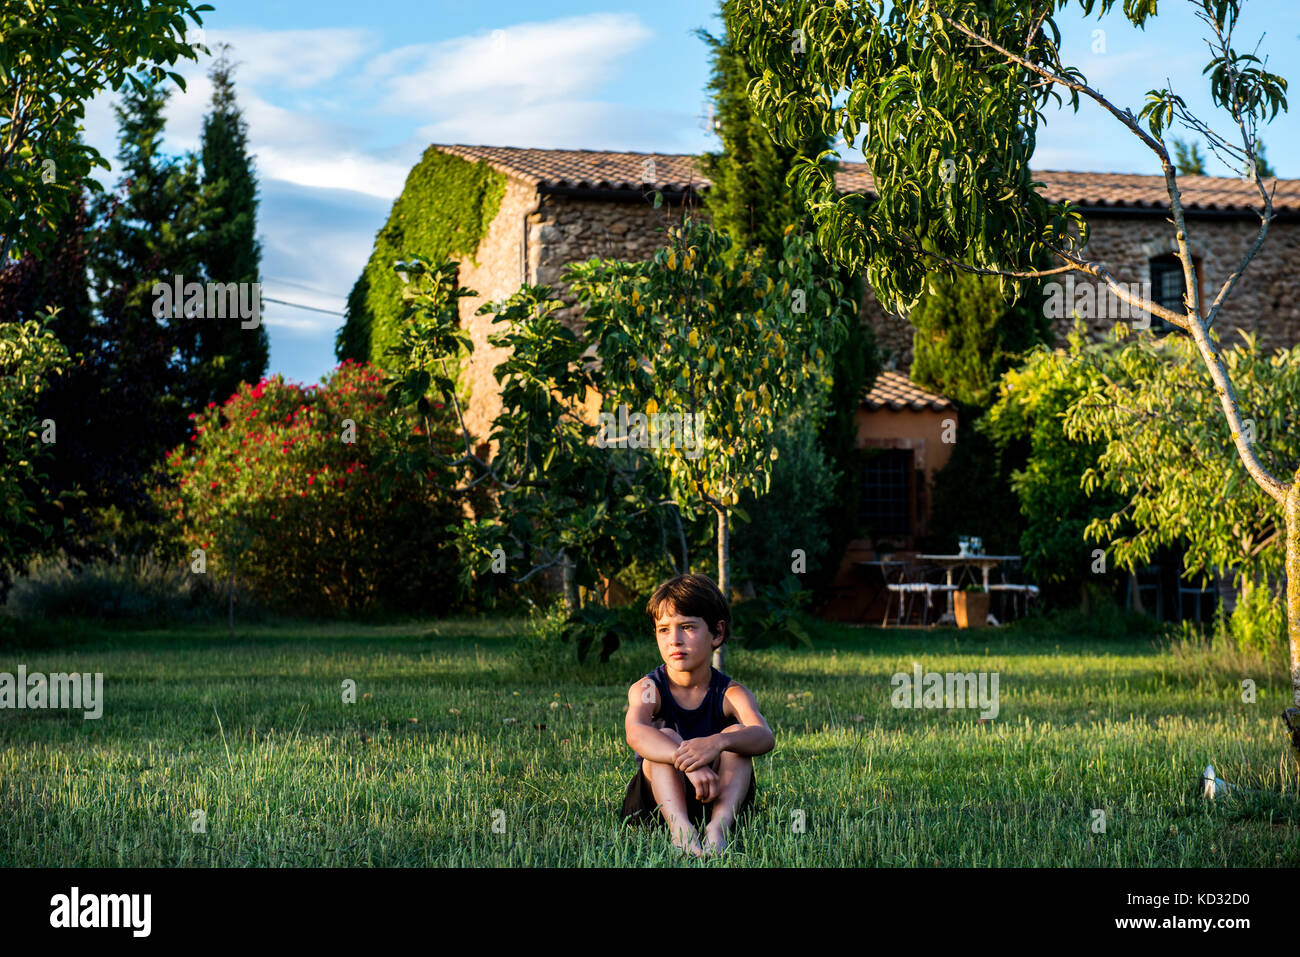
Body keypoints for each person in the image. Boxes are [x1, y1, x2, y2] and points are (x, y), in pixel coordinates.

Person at [621, 573, 774, 856]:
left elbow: (764, 737)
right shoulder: (648, 688)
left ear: (717, 633)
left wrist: (718, 742)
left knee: (737, 737)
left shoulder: (731, 692)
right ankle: (681, 830)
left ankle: (718, 827)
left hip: (715, 795)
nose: (674, 640)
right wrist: (689, 762)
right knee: (663, 736)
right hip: (656, 804)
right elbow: (636, 731)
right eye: (663, 629)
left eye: (687, 627)